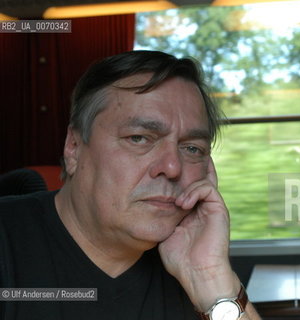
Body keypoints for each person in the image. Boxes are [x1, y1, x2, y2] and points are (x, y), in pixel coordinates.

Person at [0, 50, 261, 320]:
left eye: (192, 148)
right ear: (74, 148)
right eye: (139, 138)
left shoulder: (189, 263)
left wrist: (208, 277)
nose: (172, 167)